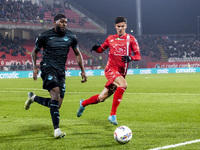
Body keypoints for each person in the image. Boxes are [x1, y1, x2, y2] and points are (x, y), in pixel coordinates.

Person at [24, 14, 87, 139]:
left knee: (57, 104)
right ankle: (57, 130)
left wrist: (83, 70)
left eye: (66, 22)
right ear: (54, 22)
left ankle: (33, 98)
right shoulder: (44, 36)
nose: (64, 24)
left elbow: (78, 54)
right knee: (55, 92)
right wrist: (35, 67)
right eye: (62, 21)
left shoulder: (71, 36)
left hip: (61, 71)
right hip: (48, 68)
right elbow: (34, 52)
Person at [77, 16, 141, 125]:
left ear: (126, 26)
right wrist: (96, 48)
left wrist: (131, 58)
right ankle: (112, 115)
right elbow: (101, 49)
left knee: (101, 98)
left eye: (122, 26)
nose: (120, 28)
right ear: (115, 27)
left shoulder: (131, 39)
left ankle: (83, 103)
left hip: (121, 73)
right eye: (118, 26)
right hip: (110, 69)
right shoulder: (110, 38)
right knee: (123, 85)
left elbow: (138, 56)